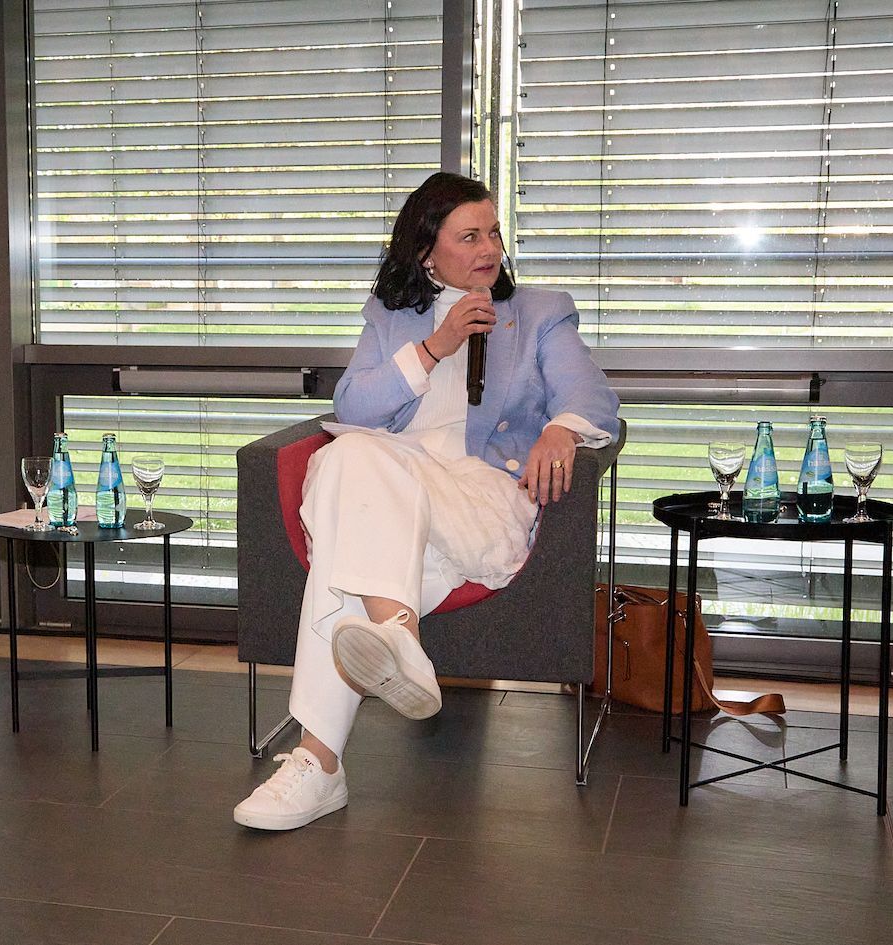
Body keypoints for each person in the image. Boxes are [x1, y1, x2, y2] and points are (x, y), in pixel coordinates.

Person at [233, 172, 620, 830]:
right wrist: (437, 346)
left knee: (348, 499)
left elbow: (593, 398)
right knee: (354, 457)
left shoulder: (539, 312)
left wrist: (561, 429)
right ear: (425, 251)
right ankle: (382, 661)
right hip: (391, 492)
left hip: (480, 495)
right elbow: (354, 408)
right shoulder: (392, 317)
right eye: (468, 236)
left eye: (493, 233)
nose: (488, 248)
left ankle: (322, 755)